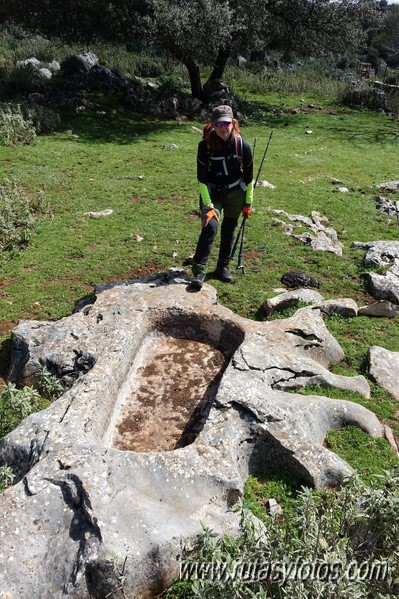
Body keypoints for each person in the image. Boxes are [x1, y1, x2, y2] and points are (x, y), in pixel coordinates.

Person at [190, 105, 254, 290]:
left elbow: (249, 178)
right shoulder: (205, 146)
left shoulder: (243, 146)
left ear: (233, 123)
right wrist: (208, 205)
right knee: (210, 227)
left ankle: (222, 267)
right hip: (212, 193)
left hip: (236, 194)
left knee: (229, 229)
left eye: (226, 123)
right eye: (218, 123)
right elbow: (201, 178)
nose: (223, 127)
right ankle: (199, 270)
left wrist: (248, 203)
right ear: (212, 125)